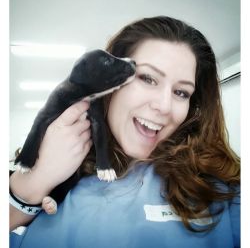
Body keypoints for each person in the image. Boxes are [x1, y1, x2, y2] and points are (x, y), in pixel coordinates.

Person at [9, 16, 240, 248]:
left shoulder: (225, 188)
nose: (164, 106)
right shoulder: (53, 165)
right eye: (147, 78)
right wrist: (31, 184)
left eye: (181, 92)